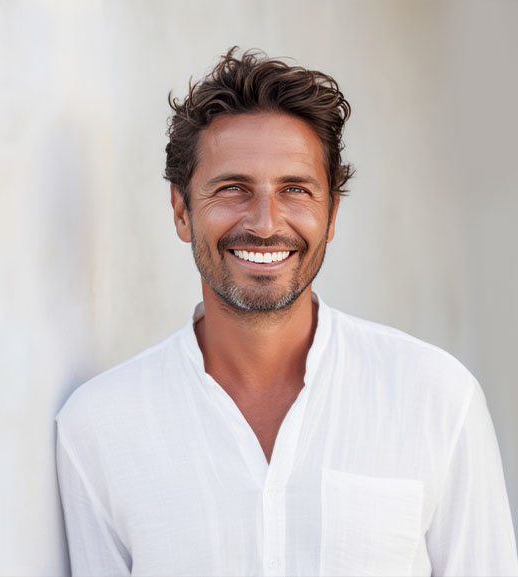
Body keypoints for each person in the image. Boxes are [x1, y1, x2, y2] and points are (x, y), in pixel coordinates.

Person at [55, 48, 518, 576]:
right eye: (233, 188)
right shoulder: (99, 429)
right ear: (182, 211)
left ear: (332, 213)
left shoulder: (437, 398)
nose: (265, 222)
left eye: (295, 190)